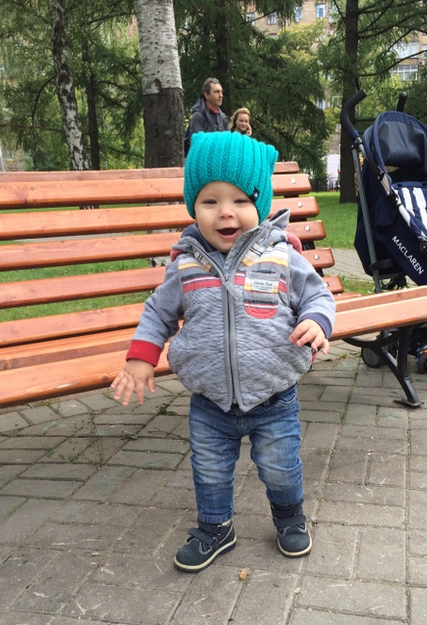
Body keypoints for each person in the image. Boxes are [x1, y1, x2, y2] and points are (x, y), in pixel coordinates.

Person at [111, 131, 336, 573]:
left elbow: (318, 296)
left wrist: (316, 321)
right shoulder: (186, 263)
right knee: (210, 470)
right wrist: (140, 358)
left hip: (274, 396)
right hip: (209, 400)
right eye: (210, 201)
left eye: (240, 200)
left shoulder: (281, 257)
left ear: (261, 204)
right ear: (193, 206)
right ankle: (216, 528)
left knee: (280, 467)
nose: (225, 212)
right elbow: (158, 312)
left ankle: (289, 517)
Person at [184, 77, 229, 154]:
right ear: (207, 95)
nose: (221, 95)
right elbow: (196, 144)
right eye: (216, 92)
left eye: (221, 92)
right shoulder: (198, 116)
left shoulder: (223, 117)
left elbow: (228, 142)